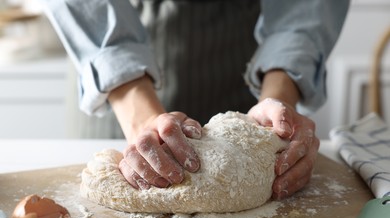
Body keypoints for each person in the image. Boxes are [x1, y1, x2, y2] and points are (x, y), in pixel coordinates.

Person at [42, 0, 349, 200]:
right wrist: (141, 117)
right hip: (114, 84)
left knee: (256, 185)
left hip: (245, 62)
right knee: (137, 174)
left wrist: (279, 101)